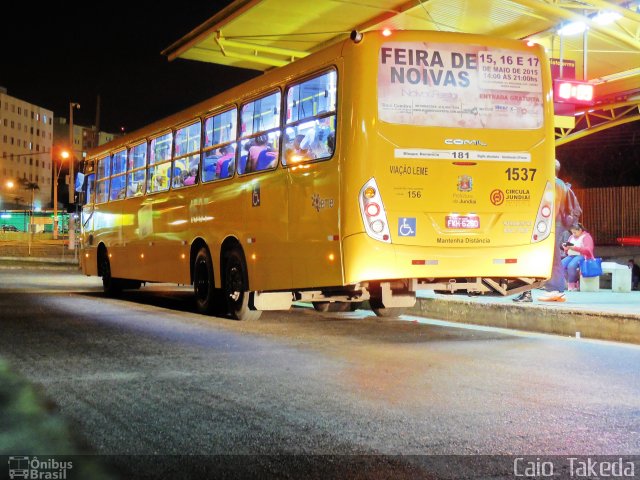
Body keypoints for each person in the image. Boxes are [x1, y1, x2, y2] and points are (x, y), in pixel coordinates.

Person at [514, 159, 570, 303]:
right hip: (555, 223)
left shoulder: (554, 184)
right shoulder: (562, 185)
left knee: (552, 256)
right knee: (553, 255)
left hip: (549, 223)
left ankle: (554, 289)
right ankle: (550, 289)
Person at [561, 223, 595, 291]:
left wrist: (575, 248)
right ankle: (569, 281)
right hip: (571, 255)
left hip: (582, 255)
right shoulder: (571, 237)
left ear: (580, 230)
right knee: (561, 265)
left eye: (575, 232)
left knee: (571, 265)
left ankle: (572, 284)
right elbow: (567, 249)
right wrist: (566, 248)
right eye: (572, 232)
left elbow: (588, 250)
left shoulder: (586, 237)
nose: (573, 234)